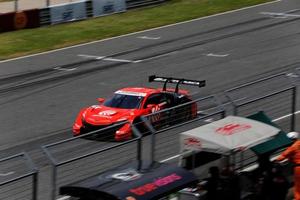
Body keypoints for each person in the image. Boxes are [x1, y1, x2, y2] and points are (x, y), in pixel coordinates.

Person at [276, 131, 300, 200]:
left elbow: (284, 155)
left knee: (298, 185)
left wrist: (277, 160)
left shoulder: (293, 147)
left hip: (298, 167)